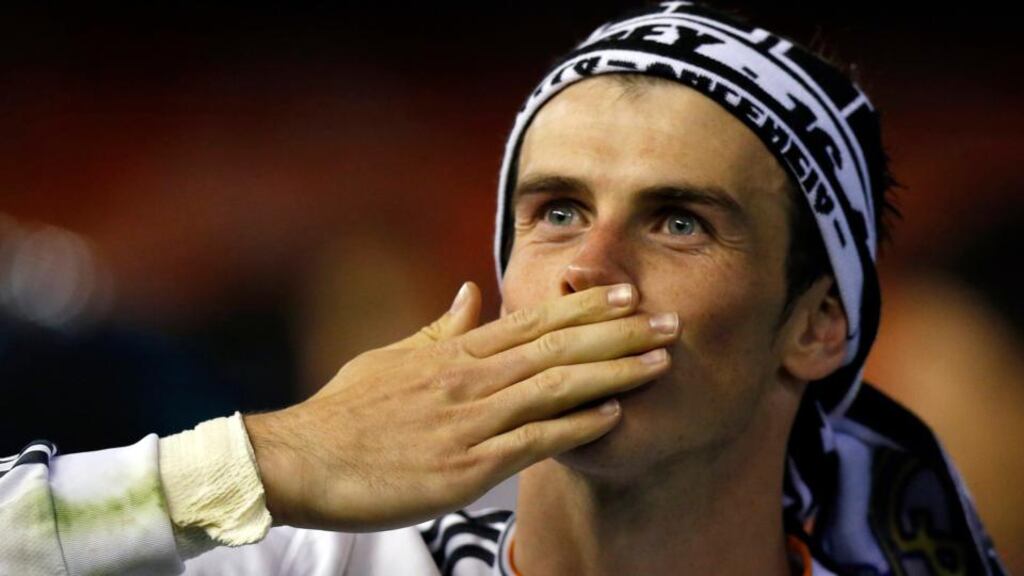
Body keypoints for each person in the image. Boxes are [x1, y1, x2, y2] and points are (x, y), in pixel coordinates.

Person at [0, 3, 1007, 575]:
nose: (589, 269)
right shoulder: (302, 559)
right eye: (557, 210)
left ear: (818, 323)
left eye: (678, 221)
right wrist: (268, 457)